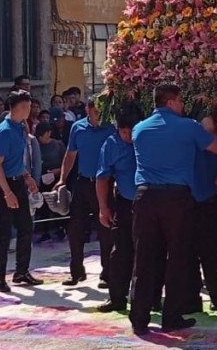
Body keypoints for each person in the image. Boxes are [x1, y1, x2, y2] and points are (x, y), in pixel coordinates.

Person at [129, 84, 217, 335]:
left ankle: (139, 318)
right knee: (178, 258)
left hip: (144, 197)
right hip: (176, 197)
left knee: (144, 259)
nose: (183, 106)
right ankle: (171, 316)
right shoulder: (188, 127)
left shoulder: (139, 129)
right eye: (181, 101)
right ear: (172, 102)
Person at [55, 97, 116, 288]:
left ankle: (107, 273)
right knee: (75, 228)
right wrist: (62, 180)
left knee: (105, 229)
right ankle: (76, 271)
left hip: (105, 183)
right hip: (83, 182)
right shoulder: (77, 128)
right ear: (89, 110)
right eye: (97, 110)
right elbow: (70, 154)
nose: (101, 115)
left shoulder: (111, 128)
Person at [0, 90, 43, 292]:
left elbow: (17, 159)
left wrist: (26, 176)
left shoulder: (21, 127)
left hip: (18, 180)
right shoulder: (4, 131)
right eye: (27, 106)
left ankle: (21, 271)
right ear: (19, 108)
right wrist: (7, 193)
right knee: (3, 232)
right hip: (3, 185)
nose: (30, 110)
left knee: (26, 227)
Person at [96, 104, 144, 313]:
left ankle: (148, 298)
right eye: (123, 132)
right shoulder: (112, 144)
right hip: (124, 202)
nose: (128, 136)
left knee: (147, 253)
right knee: (120, 253)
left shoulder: (147, 139)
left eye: (131, 132)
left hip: (148, 202)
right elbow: (102, 178)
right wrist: (103, 207)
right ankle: (117, 298)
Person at [184, 114, 217, 313]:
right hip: (188, 202)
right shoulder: (188, 142)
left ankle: (216, 295)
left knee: (213, 254)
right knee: (188, 253)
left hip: (211, 203)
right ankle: (192, 298)